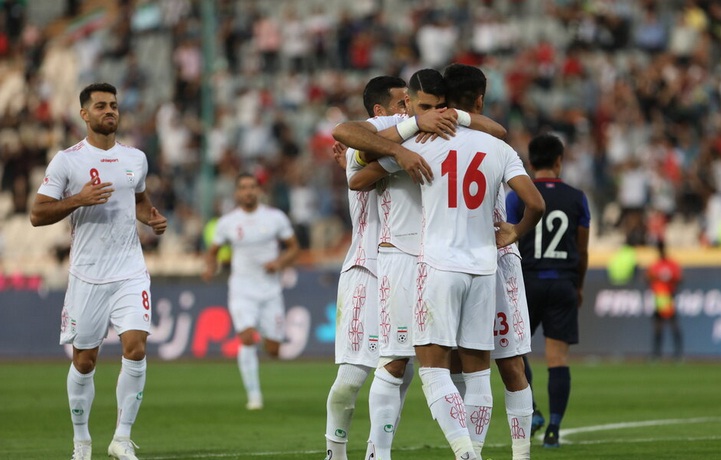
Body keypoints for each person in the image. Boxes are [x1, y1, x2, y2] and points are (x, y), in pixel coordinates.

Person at [407, 64, 544, 460]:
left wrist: (398, 141)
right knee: (486, 370)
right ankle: (506, 454)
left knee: (436, 369)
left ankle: (467, 454)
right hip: (490, 263)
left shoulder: (423, 142)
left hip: (439, 264)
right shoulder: (499, 148)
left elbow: (361, 171)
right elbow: (535, 202)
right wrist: (514, 231)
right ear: (480, 101)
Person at [29, 82, 168, 460]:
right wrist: (78, 199)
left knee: (135, 349)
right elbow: (37, 213)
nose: (110, 111)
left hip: (130, 270)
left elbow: (137, 198)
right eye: (101, 106)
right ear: (84, 115)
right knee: (84, 360)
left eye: (114, 106)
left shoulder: (135, 158)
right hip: (88, 274)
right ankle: (82, 443)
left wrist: (150, 217)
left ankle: (122, 439)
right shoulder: (67, 161)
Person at [324, 75, 408, 460]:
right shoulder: (360, 147)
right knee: (352, 377)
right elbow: (354, 141)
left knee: (399, 369)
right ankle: (335, 452)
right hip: (366, 269)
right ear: (380, 112)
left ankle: (377, 451)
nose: (409, 110)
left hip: (404, 270)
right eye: (402, 103)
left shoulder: (410, 148)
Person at [506, 133, 590, 448]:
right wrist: (578, 286)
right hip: (564, 282)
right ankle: (553, 429)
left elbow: (507, 236)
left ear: (530, 162)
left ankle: (532, 411)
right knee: (558, 358)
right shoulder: (577, 198)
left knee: (514, 351)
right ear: (559, 161)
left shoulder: (517, 195)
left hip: (526, 282)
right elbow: (583, 251)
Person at [203, 173, 299, 410]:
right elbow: (213, 251)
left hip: (270, 291)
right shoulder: (227, 222)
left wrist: (279, 263)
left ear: (259, 191)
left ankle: (268, 344)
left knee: (274, 349)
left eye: (252, 187)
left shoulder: (275, 217)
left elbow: (294, 248)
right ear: (236, 193)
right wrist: (209, 267)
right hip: (241, 290)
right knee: (246, 338)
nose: (248, 191)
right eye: (243, 187)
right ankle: (254, 396)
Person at [646, 239, 683, 360]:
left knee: (673, 325)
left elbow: (679, 278)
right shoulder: (655, 265)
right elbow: (647, 278)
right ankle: (657, 353)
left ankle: (678, 353)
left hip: (668, 296)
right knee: (658, 327)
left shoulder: (671, 264)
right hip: (658, 297)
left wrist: (670, 281)